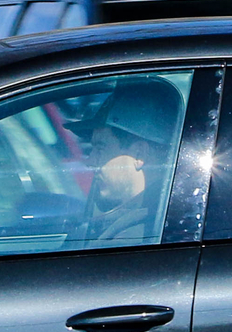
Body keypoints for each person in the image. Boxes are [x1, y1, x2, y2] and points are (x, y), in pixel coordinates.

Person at [65, 75, 187, 250]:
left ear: (139, 154)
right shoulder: (150, 225)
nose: (90, 162)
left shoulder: (135, 240)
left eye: (100, 148)